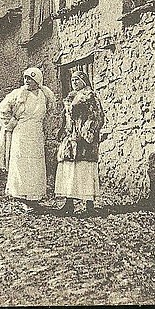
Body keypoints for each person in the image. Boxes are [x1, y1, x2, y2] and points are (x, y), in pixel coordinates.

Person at [0, 67, 56, 211]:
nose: (27, 81)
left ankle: (34, 197)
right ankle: (22, 196)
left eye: (31, 78)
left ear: (38, 81)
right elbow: (1, 110)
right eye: (26, 78)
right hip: (21, 133)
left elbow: (50, 113)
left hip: (36, 134)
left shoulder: (44, 95)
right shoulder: (18, 94)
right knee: (22, 163)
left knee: (35, 165)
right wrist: (10, 124)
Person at [55, 70, 104, 216]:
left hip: (84, 140)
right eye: (72, 80)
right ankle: (69, 203)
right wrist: (63, 130)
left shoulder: (90, 96)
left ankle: (89, 205)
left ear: (84, 81)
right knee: (70, 170)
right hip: (70, 139)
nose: (74, 82)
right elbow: (66, 117)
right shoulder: (70, 97)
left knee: (85, 170)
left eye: (77, 79)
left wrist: (86, 132)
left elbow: (97, 115)